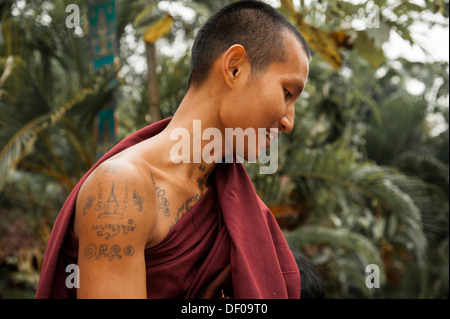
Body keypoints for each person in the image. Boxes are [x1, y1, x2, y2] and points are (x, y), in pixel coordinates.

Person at [36, 0, 310, 299]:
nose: (288, 122)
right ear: (234, 68)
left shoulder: (235, 204)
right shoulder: (121, 188)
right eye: (286, 93)